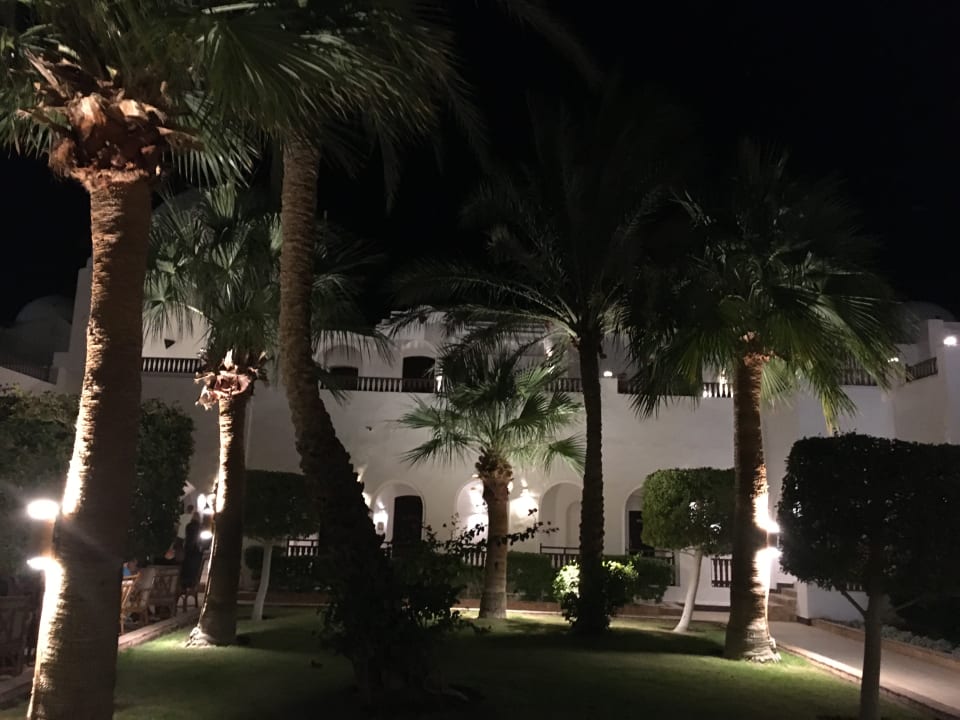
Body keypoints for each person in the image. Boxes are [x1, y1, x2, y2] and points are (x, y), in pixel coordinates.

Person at [180, 516, 203, 592]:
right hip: (195, 549)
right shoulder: (199, 527)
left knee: (187, 566)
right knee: (193, 568)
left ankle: (185, 585)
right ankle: (191, 585)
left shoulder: (188, 526)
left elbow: (187, 536)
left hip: (188, 548)